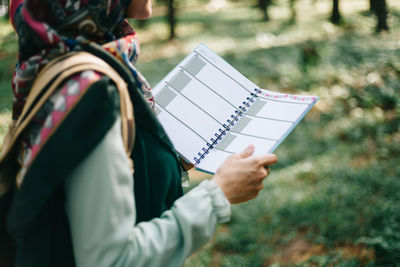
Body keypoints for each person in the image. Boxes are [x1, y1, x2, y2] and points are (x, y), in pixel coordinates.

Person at [3, 0, 278, 266]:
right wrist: (219, 194)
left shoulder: (49, 65)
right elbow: (113, 259)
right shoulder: (92, 94)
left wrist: (162, 159)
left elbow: (72, 190)